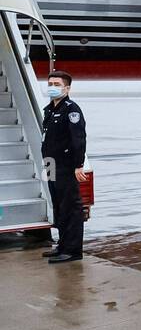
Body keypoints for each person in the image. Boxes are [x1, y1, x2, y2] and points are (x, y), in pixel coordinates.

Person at [40, 71, 87, 264]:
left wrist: (78, 165)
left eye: (56, 83)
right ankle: (62, 245)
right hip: (50, 163)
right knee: (58, 205)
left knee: (71, 207)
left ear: (66, 88)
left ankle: (73, 250)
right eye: (50, 83)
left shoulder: (71, 110)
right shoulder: (49, 109)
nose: (52, 86)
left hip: (66, 166)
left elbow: (78, 139)